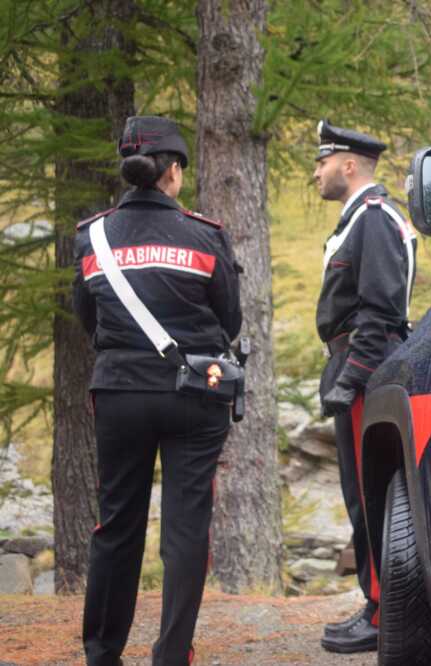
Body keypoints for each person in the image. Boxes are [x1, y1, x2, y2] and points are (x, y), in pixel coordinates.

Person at [73, 115, 242, 666]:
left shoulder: (91, 235)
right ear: (172, 171)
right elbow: (231, 320)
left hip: (119, 394)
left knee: (116, 523)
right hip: (194, 394)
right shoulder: (206, 234)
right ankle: (172, 655)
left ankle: (102, 654)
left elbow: (86, 318)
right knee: (187, 527)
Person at [313, 120, 416, 654]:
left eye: (322, 162)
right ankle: (377, 605)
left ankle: (382, 611)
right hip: (355, 362)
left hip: (365, 365)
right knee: (361, 496)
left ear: (349, 165)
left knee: (370, 496)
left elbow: (380, 308)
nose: (316, 172)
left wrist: (352, 375)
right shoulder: (358, 220)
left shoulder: (373, 219)